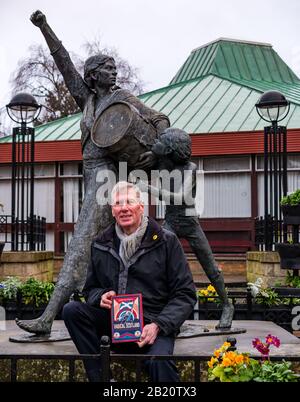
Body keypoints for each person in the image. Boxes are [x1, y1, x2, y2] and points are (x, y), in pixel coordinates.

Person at [16, 10, 170, 335]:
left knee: (77, 247)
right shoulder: (86, 99)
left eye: (114, 68)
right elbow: (63, 63)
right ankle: (99, 312)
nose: (113, 72)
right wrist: (45, 27)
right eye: (107, 68)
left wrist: (166, 139)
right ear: (93, 75)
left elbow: (158, 118)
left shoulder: (122, 98)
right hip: (91, 178)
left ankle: (47, 318)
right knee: (95, 248)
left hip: (106, 180)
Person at [63, 181, 197, 382]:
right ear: (113, 210)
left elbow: (185, 294)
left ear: (141, 206)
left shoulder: (166, 241)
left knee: (159, 362)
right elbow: (90, 289)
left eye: (129, 202)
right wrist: (100, 296)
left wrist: (159, 325)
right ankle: (101, 379)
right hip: (113, 323)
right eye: (118, 203)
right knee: (71, 310)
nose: (124, 208)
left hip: (152, 325)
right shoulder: (101, 243)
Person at [135, 128, 234, 329]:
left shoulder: (190, 168)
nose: (157, 143)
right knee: (156, 264)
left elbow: (182, 198)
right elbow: (140, 158)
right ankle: (161, 310)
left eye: (161, 140)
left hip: (189, 222)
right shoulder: (161, 163)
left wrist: (149, 189)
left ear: (171, 148)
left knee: (210, 267)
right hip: (170, 221)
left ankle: (227, 305)